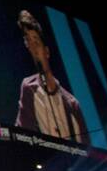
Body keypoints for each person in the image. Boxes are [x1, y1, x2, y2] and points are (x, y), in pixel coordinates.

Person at [13, 10, 88, 144]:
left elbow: (86, 148)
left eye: (36, 42)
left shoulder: (72, 104)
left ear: (47, 51)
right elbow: (22, 132)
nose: (34, 49)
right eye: (29, 43)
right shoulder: (29, 88)